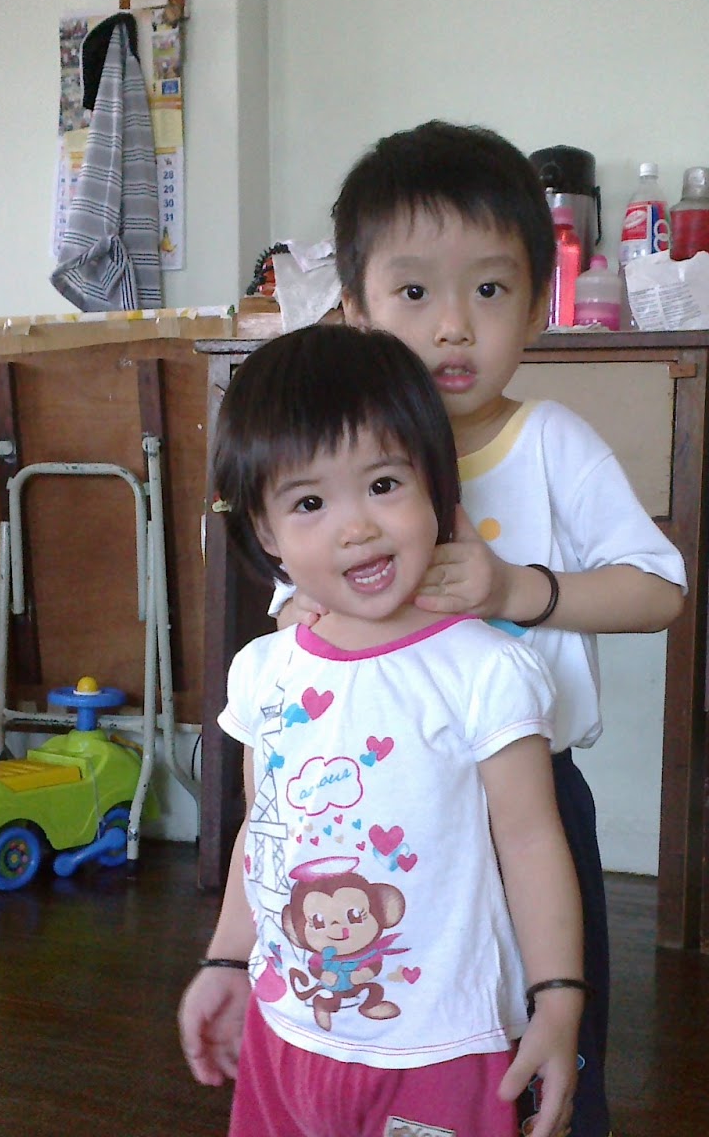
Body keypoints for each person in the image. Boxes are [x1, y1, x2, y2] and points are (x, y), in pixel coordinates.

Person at [279, 120, 689, 1137]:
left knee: (545, 1042)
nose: (454, 326)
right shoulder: (343, 456)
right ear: (354, 310)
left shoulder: (550, 442)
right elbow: (300, 602)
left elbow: (658, 592)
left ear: (541, 305)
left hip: (530, 801)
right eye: (414, 292)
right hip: (384, 807)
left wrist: (516, 590)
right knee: (399, 1031)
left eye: (492, 290)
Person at [178, 323, 585, 1137]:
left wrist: (559, 1000)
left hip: (442, 1048)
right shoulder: (264, 672)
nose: (355, 526)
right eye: (309, 503)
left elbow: (533, 842)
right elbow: (264, 832)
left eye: (384, 484)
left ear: (436, 486)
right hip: (285, 1031)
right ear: (266, 533)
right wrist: (226, 959)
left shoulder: (485, 670)